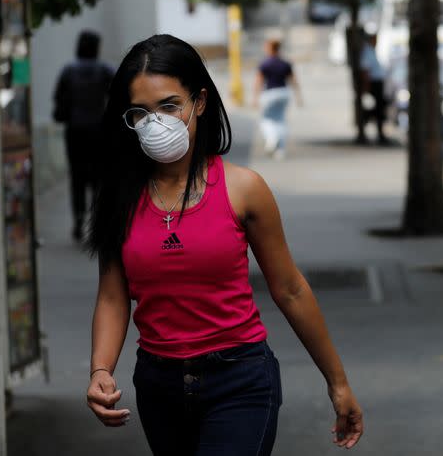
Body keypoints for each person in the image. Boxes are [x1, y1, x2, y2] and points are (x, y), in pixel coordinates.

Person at [85, 34, 362, 455]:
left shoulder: (243, 189)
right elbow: (112, 295)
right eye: (140, 112)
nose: (155, 122)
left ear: (199, 102)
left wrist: (337, 382)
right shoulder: (119, 197)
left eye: (169, 105)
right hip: (158, 386)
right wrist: (100, 369)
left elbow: (289, 289)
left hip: (240, 380)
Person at [53, 29, 115, 240]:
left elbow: (59, 104)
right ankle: (98, 220)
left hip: (75, 132)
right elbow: (119, 96)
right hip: (100, 132)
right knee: (99, 179)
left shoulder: (68, 71)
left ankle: (78, 218)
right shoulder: (106, 70)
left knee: (77, 178)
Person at [252, 38, 303, 160]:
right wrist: (299, 97)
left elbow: (259, 82)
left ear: (269, 48)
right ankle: (280, 150)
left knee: (267, 120)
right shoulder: (285, 63)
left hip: (270, 93)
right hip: (284, 93)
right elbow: (293, 80)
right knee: (281, 120)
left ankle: (271, 139)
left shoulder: (265, 64)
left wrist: (255, 98)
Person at [359, 28, 388, 145]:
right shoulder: (367, 51)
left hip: (377, 84)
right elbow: (365, 71)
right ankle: (373, 133)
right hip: (373, 85)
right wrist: (366, 89)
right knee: (375, 110)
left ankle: (380, 133)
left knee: (379, 110)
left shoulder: (371, 50)